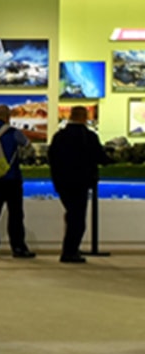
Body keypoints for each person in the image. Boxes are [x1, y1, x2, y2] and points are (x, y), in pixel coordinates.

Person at [47, 105, 104, 264]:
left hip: (62, 182)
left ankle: (70, 249)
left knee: (72, 214)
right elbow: (100, 157)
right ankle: (70, 251)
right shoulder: (89, 136)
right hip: (81, 182)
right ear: (85, 117)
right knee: (77, 218)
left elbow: (52, 157)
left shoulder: (59, 136)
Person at [0, 103, 35, 259]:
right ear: (8, 117)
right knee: (16, 215)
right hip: (12, 179)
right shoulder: (14, 133)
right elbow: (28, 148)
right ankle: (18, 247)